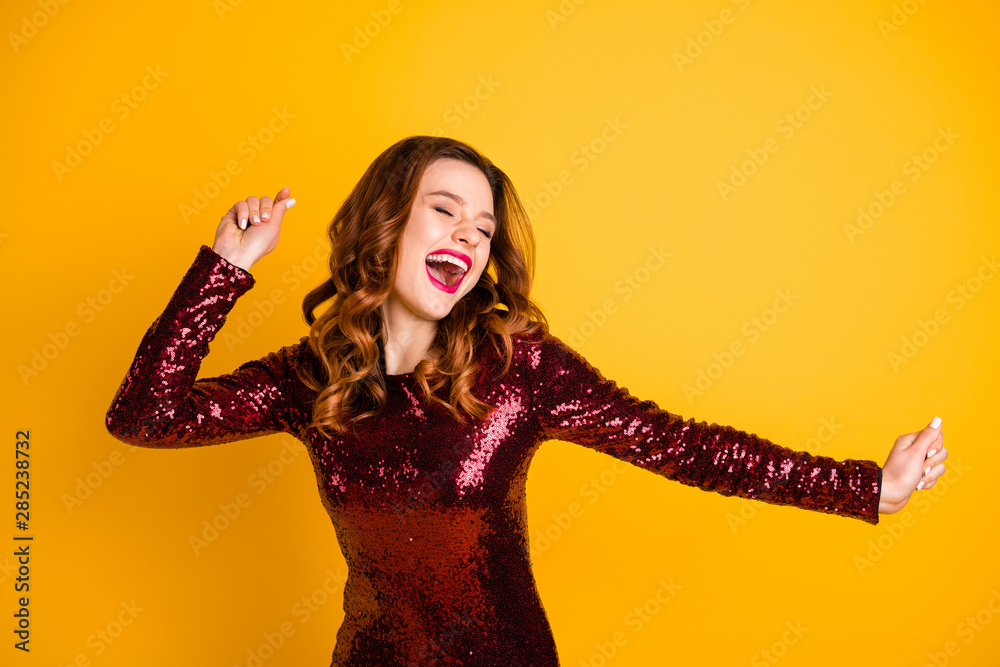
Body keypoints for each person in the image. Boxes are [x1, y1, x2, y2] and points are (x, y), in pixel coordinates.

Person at [105, 135, 948, 666]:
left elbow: (683, 446)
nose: (468, 238)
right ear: (386, 225)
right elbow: (143, 416)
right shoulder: (316, 377)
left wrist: (866, 486)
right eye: (445, 210)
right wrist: (224, 267)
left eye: (483, 228)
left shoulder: (518, 363)